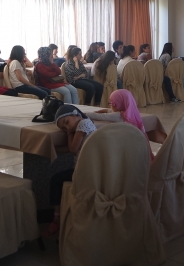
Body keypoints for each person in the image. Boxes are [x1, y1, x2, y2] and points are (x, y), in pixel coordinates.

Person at [42, 105, 98, 238]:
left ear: (76, 114)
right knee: (59, 178)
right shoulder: (86, 122)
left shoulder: (82, 124)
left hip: (86, 172)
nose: (67, 128)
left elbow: (72, 148)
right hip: (91, 169)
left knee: (56, 180)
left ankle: (57, 219)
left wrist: (69, 134)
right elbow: (71, 148)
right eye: (64, 128)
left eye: (66, 123)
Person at [91, 89, 159, 158]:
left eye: (111, 103)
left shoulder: (119, 116)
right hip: (140, 147)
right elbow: (110, 111)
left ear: (117, 105)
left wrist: (84, 114)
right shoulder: (132, 112)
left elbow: (100, 117)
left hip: (128, 151)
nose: (110, 106)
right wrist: (104, 110)